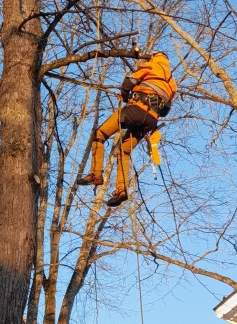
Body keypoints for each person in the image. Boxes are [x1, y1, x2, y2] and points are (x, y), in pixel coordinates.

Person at [75, 51, 177, 207]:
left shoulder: (151, 65)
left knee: (99, 134)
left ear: (154, 57)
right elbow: (165, 111)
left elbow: (128, 82)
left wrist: (125, 96)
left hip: (135, 111)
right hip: (150, 121)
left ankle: (96, 175)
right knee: (124, 151)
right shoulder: (172, 82)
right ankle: (121, 191)